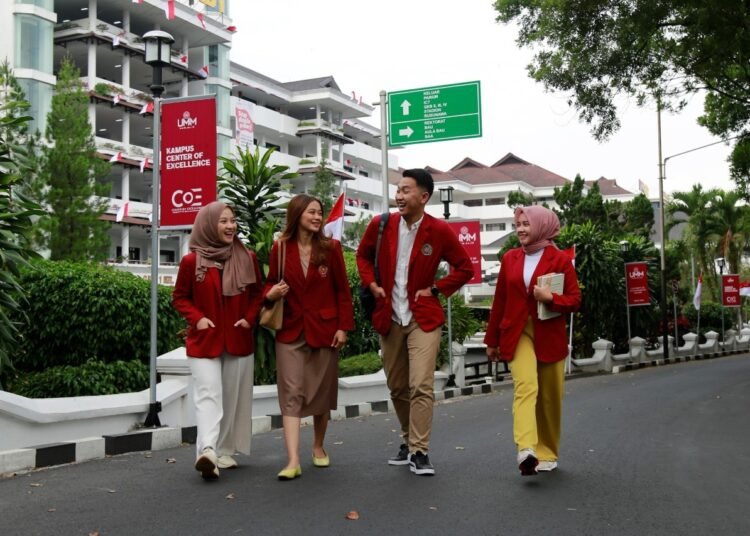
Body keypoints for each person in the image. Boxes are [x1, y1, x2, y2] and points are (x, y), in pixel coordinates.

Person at [356, 169, 473, 476]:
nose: (399, 195)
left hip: (423, 318)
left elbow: (465, 268)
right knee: (397, 386)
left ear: (423, 197)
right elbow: (362, 257)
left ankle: (420, 450)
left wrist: (436, 288)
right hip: (389, 316)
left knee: (420, 384)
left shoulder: (439, 231)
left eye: (406, 190)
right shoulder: (381, 225)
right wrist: (371, 284)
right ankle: (408, 441)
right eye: (398, 189)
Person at [484, 205, 581, 476]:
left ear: (541, 225)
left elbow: (575, 300)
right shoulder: (510, 258)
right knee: (526, 386)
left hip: (549, 332)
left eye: (526, 224)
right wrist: (491, 341)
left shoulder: (560, 259)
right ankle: (526, 448)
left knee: (550, 398)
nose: (521, 229)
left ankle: (547, 452)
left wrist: (551, 299)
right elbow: (500, 301)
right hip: (516, 332)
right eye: (518, 224)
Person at [264, 194, 354, 481]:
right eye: (311, 212)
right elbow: (268, 285)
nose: (317, 217)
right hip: (290, 329)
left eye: (320, 213)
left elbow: (343, 291)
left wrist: (343, 327)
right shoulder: (279, 248)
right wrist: (270, 295)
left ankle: (318, 445)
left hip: (325, 329)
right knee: (290, 393)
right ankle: (292, 459)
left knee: (321, 392)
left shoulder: (331, 248)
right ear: (297, 214)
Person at [173, 201, 264, 480]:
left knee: (232, 397)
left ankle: (223, 450)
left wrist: (249, 318)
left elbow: (257, 294)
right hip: (205, 340)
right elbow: (180, 297)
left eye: (232, 221)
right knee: (209, 394)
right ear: (208, 224)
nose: (230, 226)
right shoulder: (192, 261)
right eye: (223, 221)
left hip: (237, 338)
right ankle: (208, 451)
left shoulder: (246, 257)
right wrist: (198, 318)